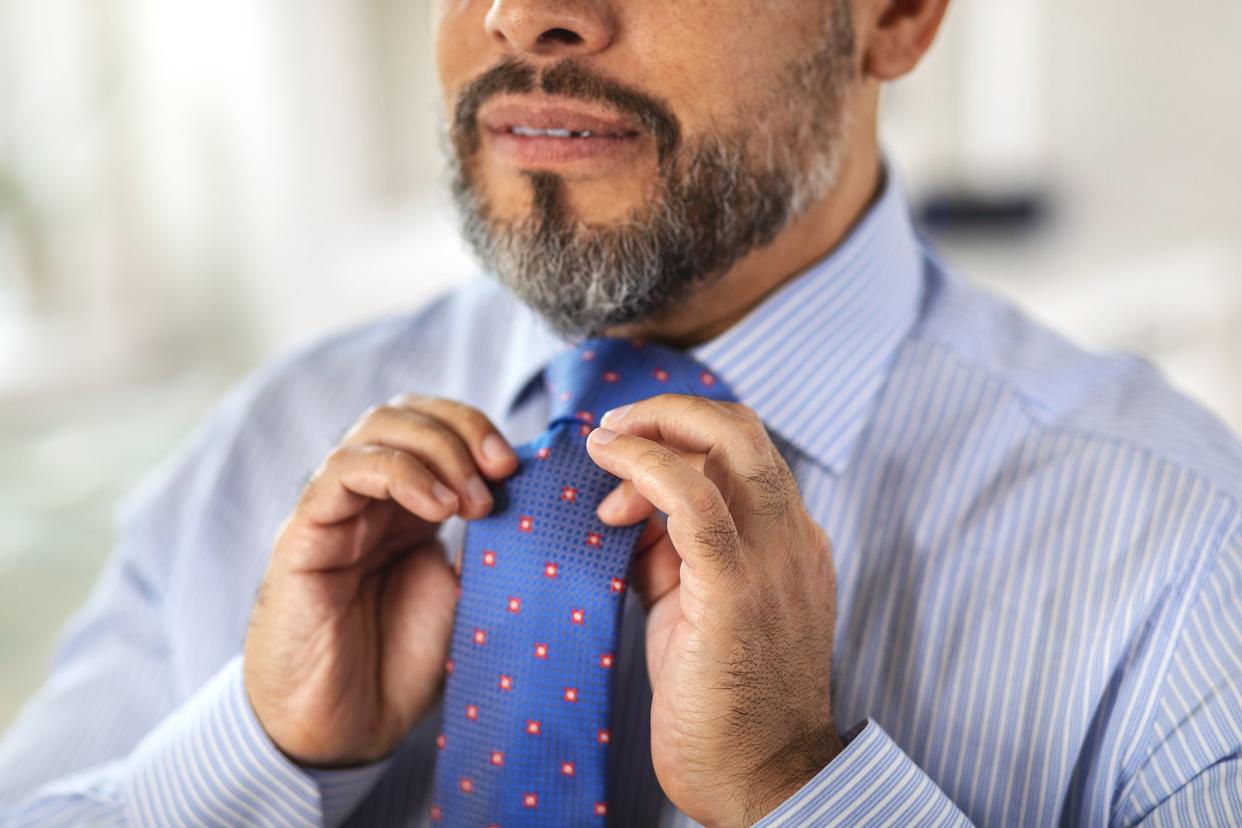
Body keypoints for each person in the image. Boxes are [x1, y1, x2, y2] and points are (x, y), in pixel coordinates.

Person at [3, 0, 1240, 824]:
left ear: (900, 13)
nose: (528, 10)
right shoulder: (260, 447)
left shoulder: (1190, 560)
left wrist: (795, 791)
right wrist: (264, 758)